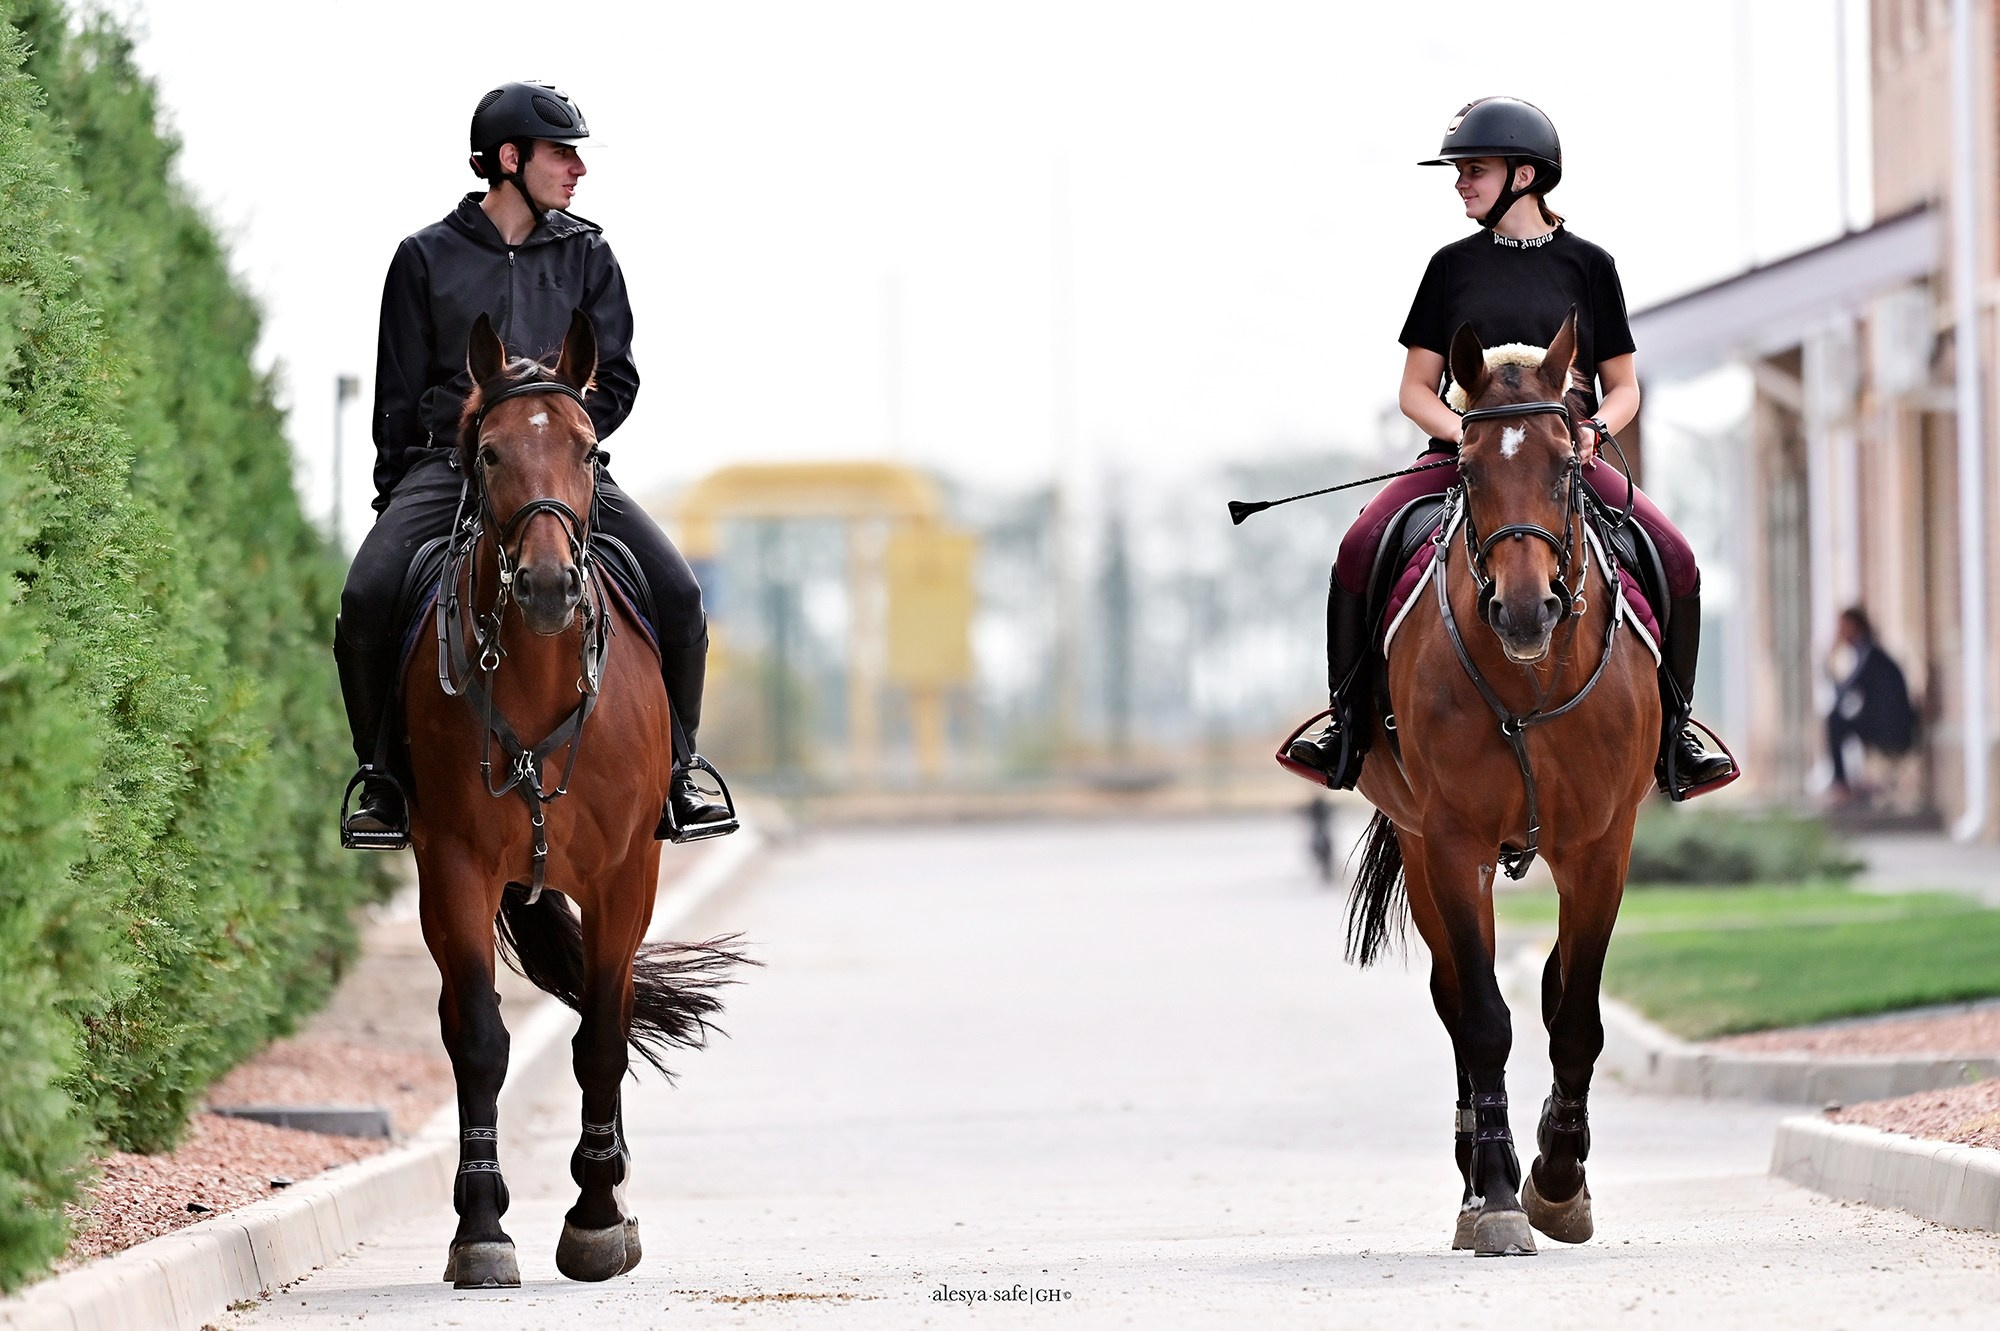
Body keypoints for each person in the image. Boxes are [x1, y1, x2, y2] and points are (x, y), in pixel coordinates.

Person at [1287, 96, 1735, 799]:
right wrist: (1465, 436)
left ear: (1525, 176)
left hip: (1564, 461)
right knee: (1357, 547)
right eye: (1460, 172)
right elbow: (1414, 390)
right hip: (1464, 456)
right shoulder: (1448, 268)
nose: (1460, 183)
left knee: (1677, 558)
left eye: (1475, 170)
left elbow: (1624, 387)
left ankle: (1674, 733)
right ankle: (1347, 726)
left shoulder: (1590, 265)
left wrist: (1593, 431)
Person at [335, 80, 730, 849]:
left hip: (565, 472)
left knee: (680, 595)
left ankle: (679, 773)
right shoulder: (423, 258)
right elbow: (397, 393)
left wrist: (558, 442)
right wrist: (396, 497)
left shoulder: (590, 254)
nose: (577, 168)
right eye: (562, 152)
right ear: (509, 159)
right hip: (449, 469)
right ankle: (381, 779)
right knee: (365, 597)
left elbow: (615, 377)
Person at [1826, 606, 1917, 802]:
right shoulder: (1866, 651)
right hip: (1883, 722)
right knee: (1838, 719)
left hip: (1892, 728)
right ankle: (1847, 782)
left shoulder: (1869, 654)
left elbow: (1845, 691)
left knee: (1835, 721)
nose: (1838, 633)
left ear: (1853, 625)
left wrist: (1829, 662)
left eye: (1841, 627)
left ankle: (1841, 785)